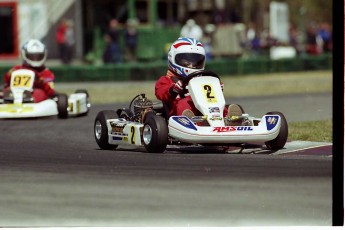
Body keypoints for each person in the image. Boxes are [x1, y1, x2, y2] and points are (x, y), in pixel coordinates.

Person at [155, 37, 242, 124]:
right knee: (185, 103)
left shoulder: (201, 79)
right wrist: (172, 90)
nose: (191, 65)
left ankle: (229, 119)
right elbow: (160, 92)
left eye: (195, 62)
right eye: (187, 61)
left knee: (216, 104)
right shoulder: (166, 80)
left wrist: (217, 88)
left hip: (205, 109)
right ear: (172, 58)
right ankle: (190, 121)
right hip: (177, 113)